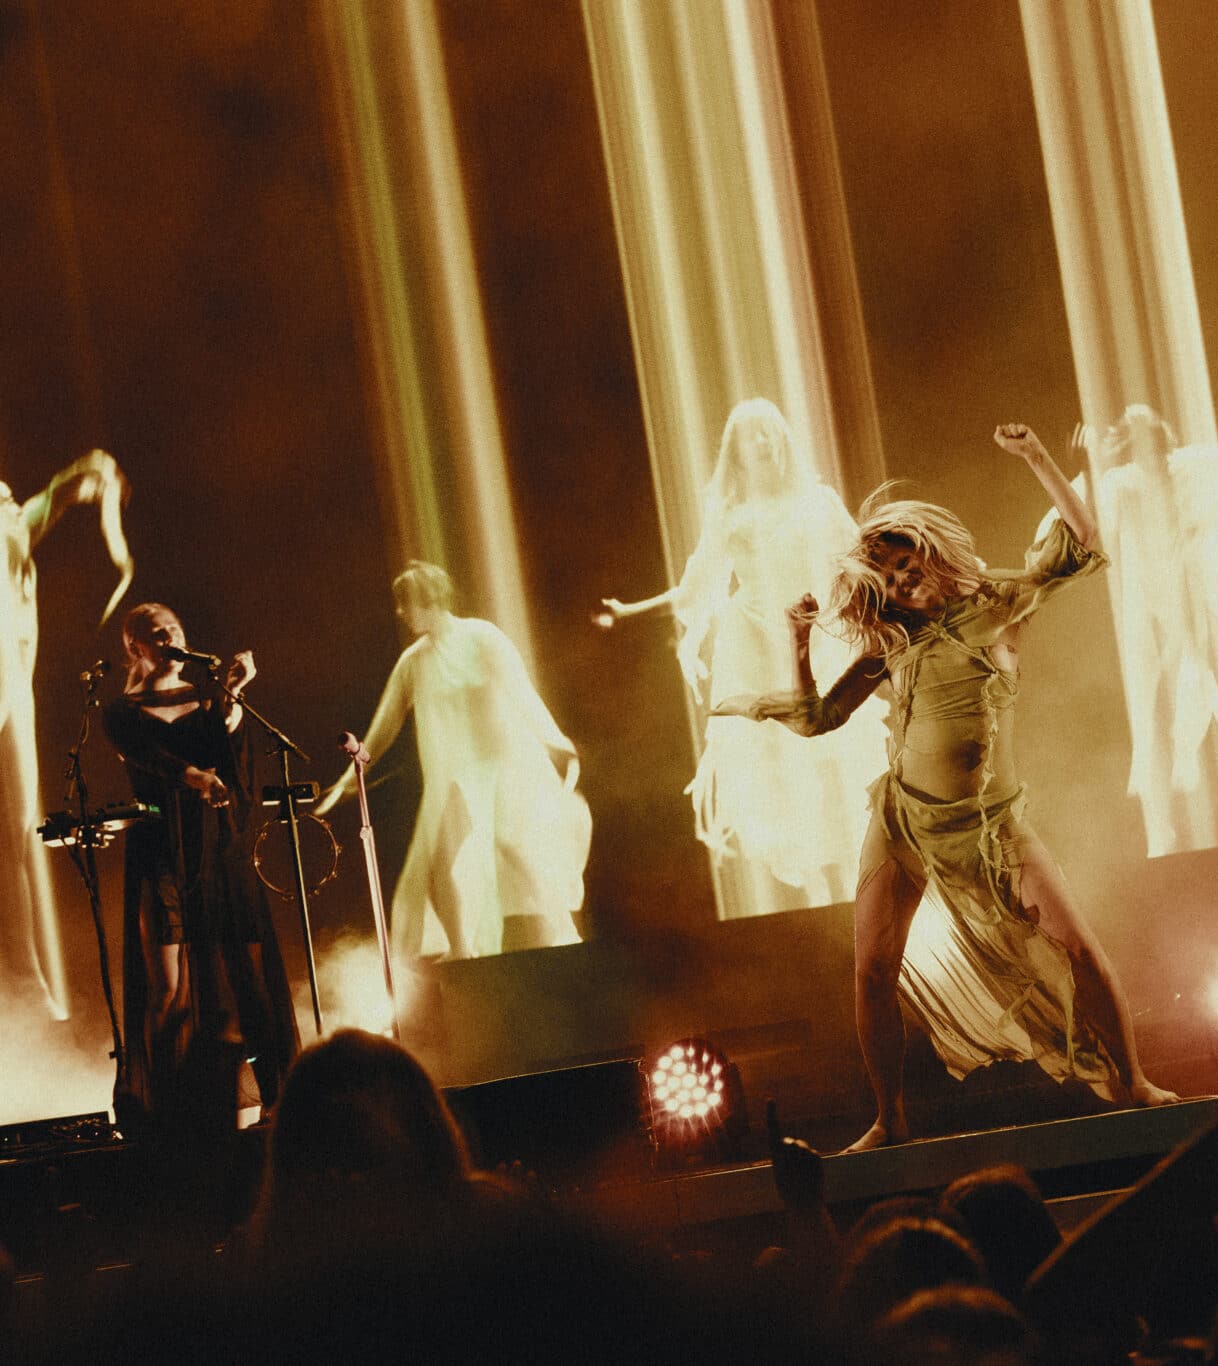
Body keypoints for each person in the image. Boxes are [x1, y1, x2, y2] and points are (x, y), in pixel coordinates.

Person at [714, 424, 1175, 1151]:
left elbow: (1083, 544)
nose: (901, 582)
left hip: (994, 824)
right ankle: (888, 1118)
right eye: (889, 580)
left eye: (906, 565)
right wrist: (798, 646)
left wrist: (1036, 456)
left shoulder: (1001, 602)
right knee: (872, 971)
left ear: (930, 553)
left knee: (1079, 949)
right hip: (905, 822)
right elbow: (817, 718)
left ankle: (1135, 1081)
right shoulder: (893, 644)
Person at [600, 399, 886, 908]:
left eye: (769, 431)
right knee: (784, 778)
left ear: (783, 440)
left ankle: (856, 891)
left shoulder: (818, 502)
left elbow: (864, 559)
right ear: (735, 453)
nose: (762, 442)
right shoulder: (732, 518)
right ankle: (822, 904)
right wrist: (630, 610)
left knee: (836, 766)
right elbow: (695, 588)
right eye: (750, 435)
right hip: (758, 649)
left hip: (822, 640)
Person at [314, 562, 587, 959]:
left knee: (517, 848)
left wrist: (554, 738)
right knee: (441, 862)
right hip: (458, 778)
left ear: (430, 599)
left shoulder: (483, 637)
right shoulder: (413, 661)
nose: (401, 612)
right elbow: (383, 729)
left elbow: (522, 692)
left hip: (503, 764)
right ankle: (463, 954)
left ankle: (562, 931)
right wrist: (345, 783)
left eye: (406, 603)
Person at [102, 602, 298, 1134]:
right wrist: (194, 777)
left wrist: (232, 693)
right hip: (161, 848)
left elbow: (231, 758)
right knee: (166, 984)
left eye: (175, 629)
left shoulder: (208, 698)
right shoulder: (121, 711)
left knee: (247, 975)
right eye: (156, 633)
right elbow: (151, 759)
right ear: (135, 647)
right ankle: (167, 1112)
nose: (169, 638)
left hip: (216, 845)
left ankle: (276, 1098)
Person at [1074, 405, 1218, 857]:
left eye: (1149, 435)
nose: (1145, 446)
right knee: (1165, 706)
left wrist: (1209, 516)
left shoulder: (1188, 466)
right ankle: (1171, 826)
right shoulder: (1121, 483)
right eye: (1133, 437)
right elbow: (1086, 524)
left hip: (1196, 603)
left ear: (1161, 439)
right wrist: (1090, 468)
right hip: (1156, 612)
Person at [1, 448, 130, 1022]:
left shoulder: (10, 530)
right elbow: (48, 502)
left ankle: (24, 973)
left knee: (17, 834)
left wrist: (86, 476)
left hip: (11, 694)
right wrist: (77, 479)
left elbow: (46, 504)